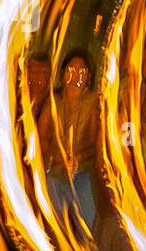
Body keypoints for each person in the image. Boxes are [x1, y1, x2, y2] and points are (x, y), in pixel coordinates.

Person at [37, 49, 100, 227]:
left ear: (89, 77)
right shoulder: (53, 102)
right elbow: (42, 136)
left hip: (82, 174)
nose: (75, 76)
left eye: (82, 71)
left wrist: (77, 159)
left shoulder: (93, 103)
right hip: (55, 173)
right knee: (56, 228)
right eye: (71, 70)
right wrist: (54, 157)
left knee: (85, 227)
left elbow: (94, 140)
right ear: (64, 75)